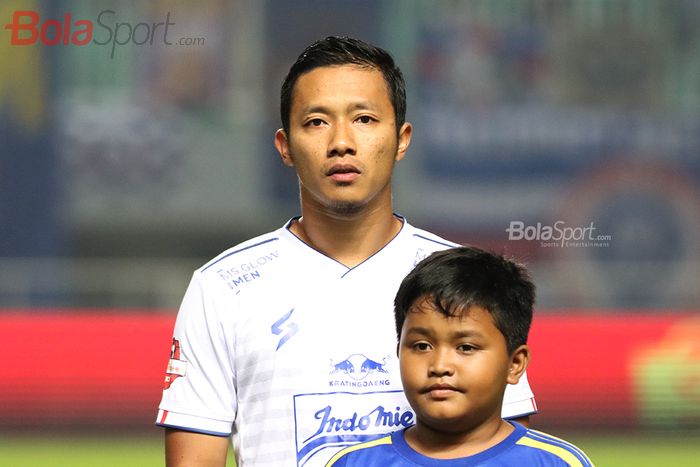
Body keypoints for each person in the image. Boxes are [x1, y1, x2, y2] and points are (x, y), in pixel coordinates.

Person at [156, 36, 537, 467]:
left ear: (401, 138)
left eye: (365, 118)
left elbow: (508, 453)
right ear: (284, 146)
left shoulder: (464, 280)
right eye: (317, 122)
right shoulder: (223, 287)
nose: (342, 142)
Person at [326, 246, 594, 466]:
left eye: (465, 347)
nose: (440, 366)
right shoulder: (353, 463)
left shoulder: (556, 463)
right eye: (421, 346)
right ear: (398, 353)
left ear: (514, 364)